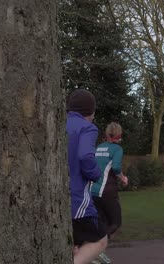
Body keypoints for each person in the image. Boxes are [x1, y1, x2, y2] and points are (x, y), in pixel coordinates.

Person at [66, 89, 108, 264]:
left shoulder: (58, 122)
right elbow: (85, 156)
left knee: (74, 245)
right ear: (90, 112)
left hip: (53, 200)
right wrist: (96, 173)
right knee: (100, 240)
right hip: (77, 203)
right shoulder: (87, 127)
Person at [91, 122, 129, 264]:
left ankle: (98, 254)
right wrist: (123, 178)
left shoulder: (99, 148)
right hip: (107, 191)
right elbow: (116, 167)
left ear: (107, 134)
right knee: (115, 223)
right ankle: (93, 249)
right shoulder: (117, 149)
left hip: (93, 191)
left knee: (103, 223)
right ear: (119, 135)